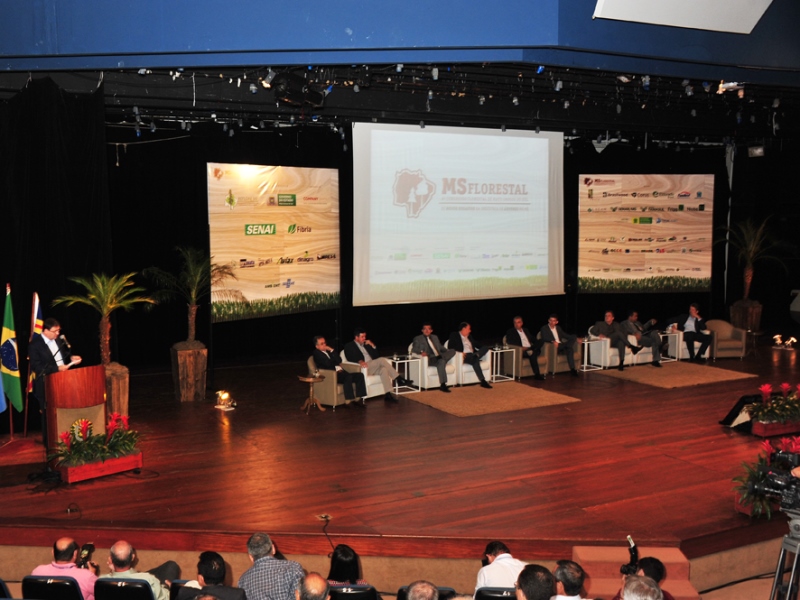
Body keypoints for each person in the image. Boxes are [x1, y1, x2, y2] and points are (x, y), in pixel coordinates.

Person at [28, 318, 82, 445]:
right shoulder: (35, 345)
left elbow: (63, 355)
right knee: (48, 415)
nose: (58, 333)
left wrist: (72, 358)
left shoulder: (59, 340)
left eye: (59, 330)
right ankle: (50, 444)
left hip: (64, 381)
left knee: (66, 410)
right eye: (55, 331)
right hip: (46, 384)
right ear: (45, 331)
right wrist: (56, 368)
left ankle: (68, 439)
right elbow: (37, 367)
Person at [343, 327, 412, 402]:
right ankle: (398, 378)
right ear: (356, 337)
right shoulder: (349, 346)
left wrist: (372, 345)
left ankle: (388, 394)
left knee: (383, 369)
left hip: (372, 366)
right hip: (363, 367)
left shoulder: (366, 344)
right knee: (382, 360)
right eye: (362, 337)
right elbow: (349, 356)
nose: (364, 338)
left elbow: (376, 356)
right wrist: (359, 361)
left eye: (365, 336)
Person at [99, 540, 180, 600]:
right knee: (171, 566)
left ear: (111, 559)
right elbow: (166, 598)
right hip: (151, 585)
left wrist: (113, 572)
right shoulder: (147, 579)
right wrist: (171, 589)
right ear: (133, 557)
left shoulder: (100, 580)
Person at [238, 532, 304, 600]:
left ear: (251, 557)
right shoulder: (293, 568)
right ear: (273, 549)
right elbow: (302, 596)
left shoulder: (243, 581)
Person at [32, 537, 98, 600]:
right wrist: (92, 575)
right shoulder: (87, 576)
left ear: (53, 552)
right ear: (75, 553)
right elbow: (104, 594)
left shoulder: (37, 572)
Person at [313, 336, 367, 404]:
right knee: (348, 377)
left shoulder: (329, 351)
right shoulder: (317, 353)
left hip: (341, 372)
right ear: (317, 346)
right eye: (322, 344)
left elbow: (339, 360)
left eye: (325, 343)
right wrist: (335, 363)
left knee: (360, 376)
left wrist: (332, 350)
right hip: (332, 375)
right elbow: (327, 363)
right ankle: (348, 400)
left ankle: (359, 399)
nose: (324, 345)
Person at [176, 551, 246, 600]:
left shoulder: (185, 594)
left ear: (201, 579)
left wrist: (173, 589)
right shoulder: (237, 595)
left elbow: (183, 592)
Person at [411, 323, 456, 392]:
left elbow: (440, 347)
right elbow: (414, 349)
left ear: (431, 330)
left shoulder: (435, 337)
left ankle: (443, 384)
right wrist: (421, 352)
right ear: (422, 330)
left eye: (428, 329)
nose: (427, 330)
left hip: (439, 357)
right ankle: (443, 383)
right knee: (442, 360)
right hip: (430, 358)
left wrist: (447, 350)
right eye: (425, 329)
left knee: (452, 351)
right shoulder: (418, 338)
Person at [448, 322, 492, 389]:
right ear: (464, 328)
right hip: (464, 356)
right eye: (469, 329)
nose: (470, 330)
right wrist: (459, 352)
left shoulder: (470, 337)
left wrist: (482, 350)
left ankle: (476, 356)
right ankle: (483, 381)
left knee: (485, 348)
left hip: (473, 354)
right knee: (475, 360)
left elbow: (479, 345)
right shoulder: (454, 335)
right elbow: (450, 347)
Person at [505, 316, 545, 380]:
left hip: (529, 348)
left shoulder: (525, 330)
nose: (516, 324)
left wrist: (538, 342)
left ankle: (533, 349)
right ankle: (537, 374)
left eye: (518, 322)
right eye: (515, 323)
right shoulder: (511, 331)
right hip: (522, 351)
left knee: (541, 341)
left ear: (522, 323)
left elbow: (532, 338)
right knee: (532, 353)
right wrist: (521, 348)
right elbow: (510, 342)